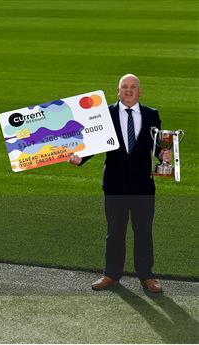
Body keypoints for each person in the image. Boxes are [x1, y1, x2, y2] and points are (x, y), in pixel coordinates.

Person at [69, 74, 171, 293]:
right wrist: (80, 158)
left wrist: (164, 156)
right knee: (115, 230)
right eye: (124, 87)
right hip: (114, 185)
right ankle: (111, 274)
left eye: (133, 87)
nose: (128, 90)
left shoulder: (152, 114)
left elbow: (156, 147)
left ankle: (147, 276)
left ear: (139, 91)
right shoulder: (106, 113)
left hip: (143, 185)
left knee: (143, 231)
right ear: (118, 91)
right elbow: (95, 143)